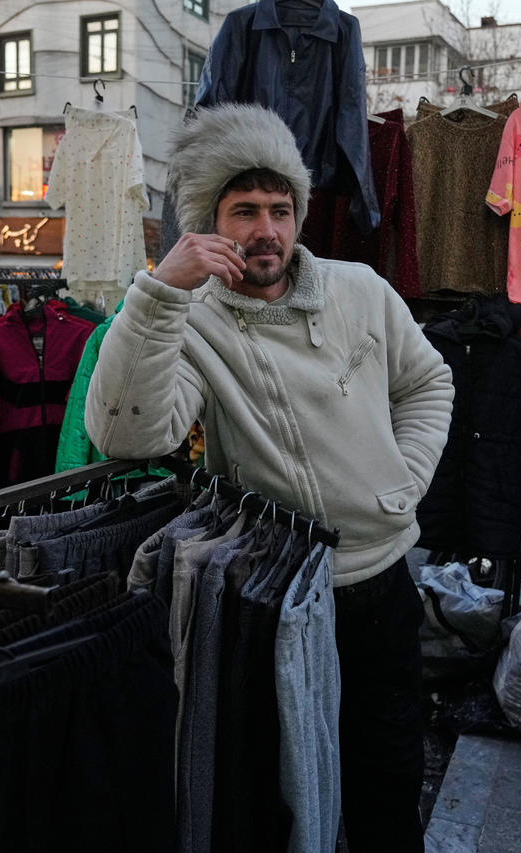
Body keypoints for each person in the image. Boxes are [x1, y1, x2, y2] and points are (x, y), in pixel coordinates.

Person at [85, 103, 453, 850]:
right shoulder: (191, 318)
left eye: (280, 210)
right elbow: (127, 432)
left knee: (386, 782)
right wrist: (160, 291)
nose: (267, 230)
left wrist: (404, 481)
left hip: (380, 583)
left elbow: (428, 382)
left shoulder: (361, 289)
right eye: (245, 211)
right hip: (275, 595)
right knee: (281, 796)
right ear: (209, 224)